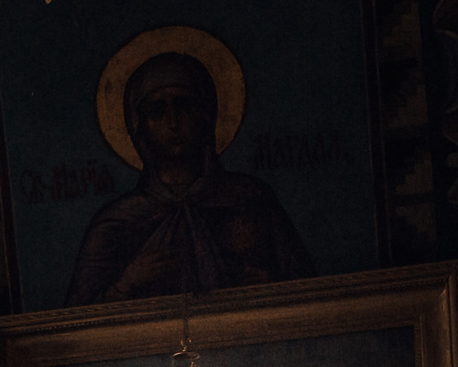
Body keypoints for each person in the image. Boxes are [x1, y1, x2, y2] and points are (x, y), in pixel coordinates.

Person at [67, 50, 314, 306]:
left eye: (184, 106)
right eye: (157, 111)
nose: (173, 122)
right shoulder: (115, 224)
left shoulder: (250, 199)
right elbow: (76, 325)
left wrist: (270, 286)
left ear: (205, 116)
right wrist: (127, 283)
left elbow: (309, 295)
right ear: (139, 129)